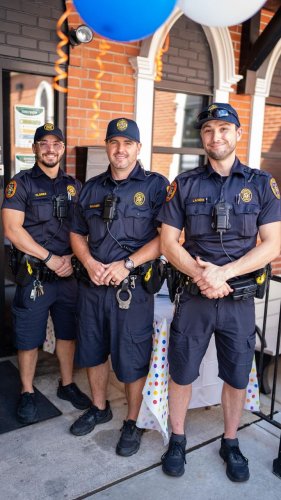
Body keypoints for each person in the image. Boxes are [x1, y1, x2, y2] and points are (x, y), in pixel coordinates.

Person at [157, 103, 281, 481]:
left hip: (239, 300)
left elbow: (272, 244)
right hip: (194, 298)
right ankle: (177, 438)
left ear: (238, 134)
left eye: (224, 129)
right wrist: (202, 276)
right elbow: (167, 242)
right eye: (209, 130)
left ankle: (230, 441)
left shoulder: (261, 184)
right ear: (203, 138)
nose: (216, 136)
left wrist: (224, 274)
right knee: (181, 372)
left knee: (237, 376)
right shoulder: (185, 183)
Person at [69, 117, 168, 456]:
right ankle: (99, 407)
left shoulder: (156, 186)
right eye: (114, 142)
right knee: (94, 352)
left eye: (127, 143)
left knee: (132, 359)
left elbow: (166, 239)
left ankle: (133, 421)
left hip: (133, 290)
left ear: (138, 148)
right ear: (107, 147)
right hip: (94, 288)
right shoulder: (91, 187)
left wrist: (126, 264)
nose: (120, 149)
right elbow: (75, 233)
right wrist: (89, 263)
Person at [1, 123, 91, 425]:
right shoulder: (21, 183)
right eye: (44, 143)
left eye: (56, 143)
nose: (50, 148)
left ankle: (67, 385)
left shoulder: (75, 187)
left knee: (68, 333)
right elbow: (13, 230)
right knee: (28, 337)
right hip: (36, 275)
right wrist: (51, 258)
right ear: (35, 148)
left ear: (63, 149)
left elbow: (84, 230)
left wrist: (72, 258)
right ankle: (27, 391)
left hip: (69, 276)